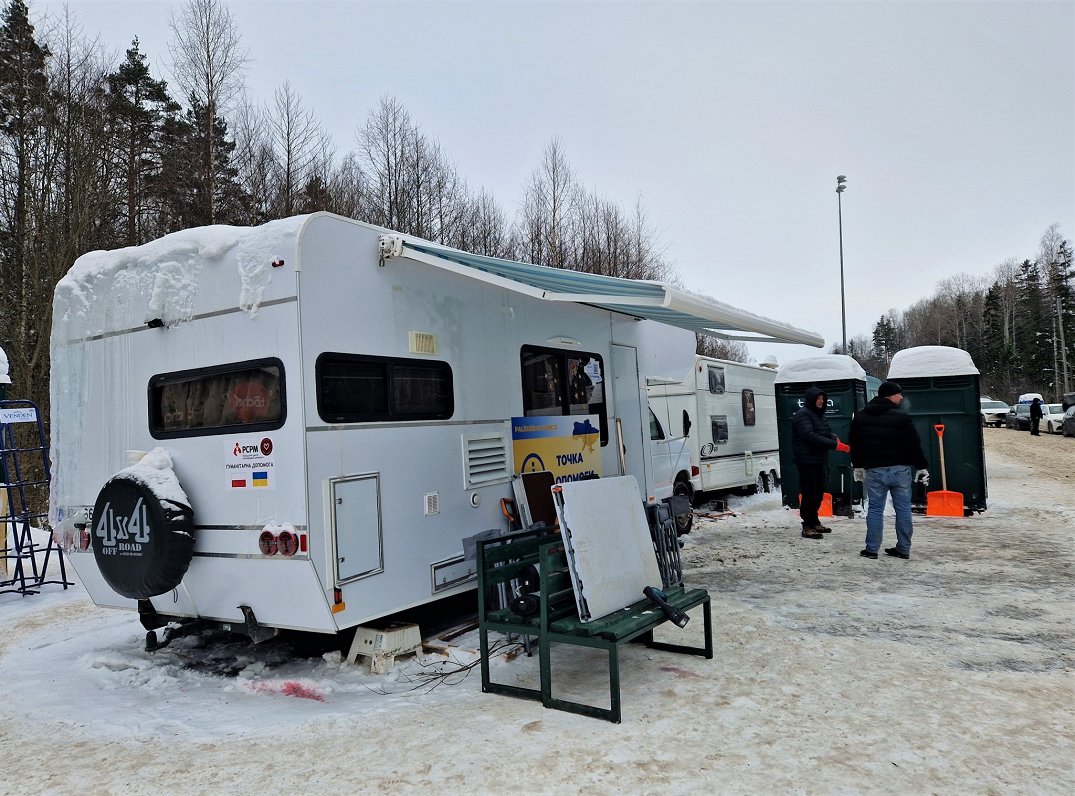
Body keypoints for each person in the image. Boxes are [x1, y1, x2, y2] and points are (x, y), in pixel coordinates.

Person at [849, 380, 929, 560]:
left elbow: (856, 444)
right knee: (903, 509)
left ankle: (871, 549)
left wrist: (858, 466)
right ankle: (903, 548)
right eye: (899, 393)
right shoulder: (902, 417)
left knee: (875, 509)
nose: (901, 397)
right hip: (900, 470)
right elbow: (913, 444)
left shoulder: (861, 416)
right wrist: (922, 466)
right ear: (890, 395)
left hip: (875, 471)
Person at [791, 386, 849, 540]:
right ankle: (807, 526)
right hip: (806, 460)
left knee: (818, 492)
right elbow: (810, 436)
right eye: (818, 399)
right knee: (809, 493)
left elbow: (826, 431)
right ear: (811, 399)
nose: (821, 401)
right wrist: (834, 445)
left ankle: (815, 521)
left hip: (819, 459)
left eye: (822, 399)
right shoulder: (803, 415)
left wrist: (833, 437)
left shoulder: (818, 415)